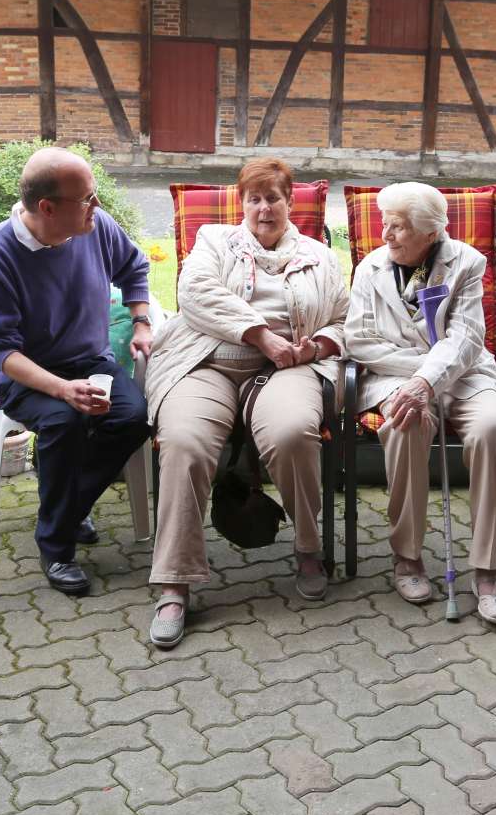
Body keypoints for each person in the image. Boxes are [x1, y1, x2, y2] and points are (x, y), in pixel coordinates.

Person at [145, 158, 347, 648]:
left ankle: (307, 547)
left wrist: (314, 347)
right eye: (253, 199)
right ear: (242, 204)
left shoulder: (320, 255)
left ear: (290, 201)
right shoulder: (214, 241)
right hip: (207, 359)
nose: (263, 208)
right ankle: (174, 582)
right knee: (185, 440)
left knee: (292, 430)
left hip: (287, 369)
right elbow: (194, 292)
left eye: (272, 197)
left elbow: (345, 319)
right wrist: (262, 335)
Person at [0, 147, 153, 596]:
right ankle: (56, 547)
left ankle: (66, 506)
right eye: (86, 198)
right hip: (25, 374)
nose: (98, 207)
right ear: (47, 208)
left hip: (87, 362)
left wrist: (142, 320)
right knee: (64, 420)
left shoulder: (96, 227)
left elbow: (135, 267)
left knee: (131, 418)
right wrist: (61, 389)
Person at [344, 182, 496, 624]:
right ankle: (408, 556)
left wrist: (431, 377)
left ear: (430, 234)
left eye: (399, 227)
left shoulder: (468, 263)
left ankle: (489, 570)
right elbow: (359, 341)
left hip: (467, 376)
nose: (386, 234)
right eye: (386, 223)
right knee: (405, 425)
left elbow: (466, 338)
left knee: (492, 429)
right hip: (396, 378)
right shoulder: (370, 268)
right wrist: (421, 375)